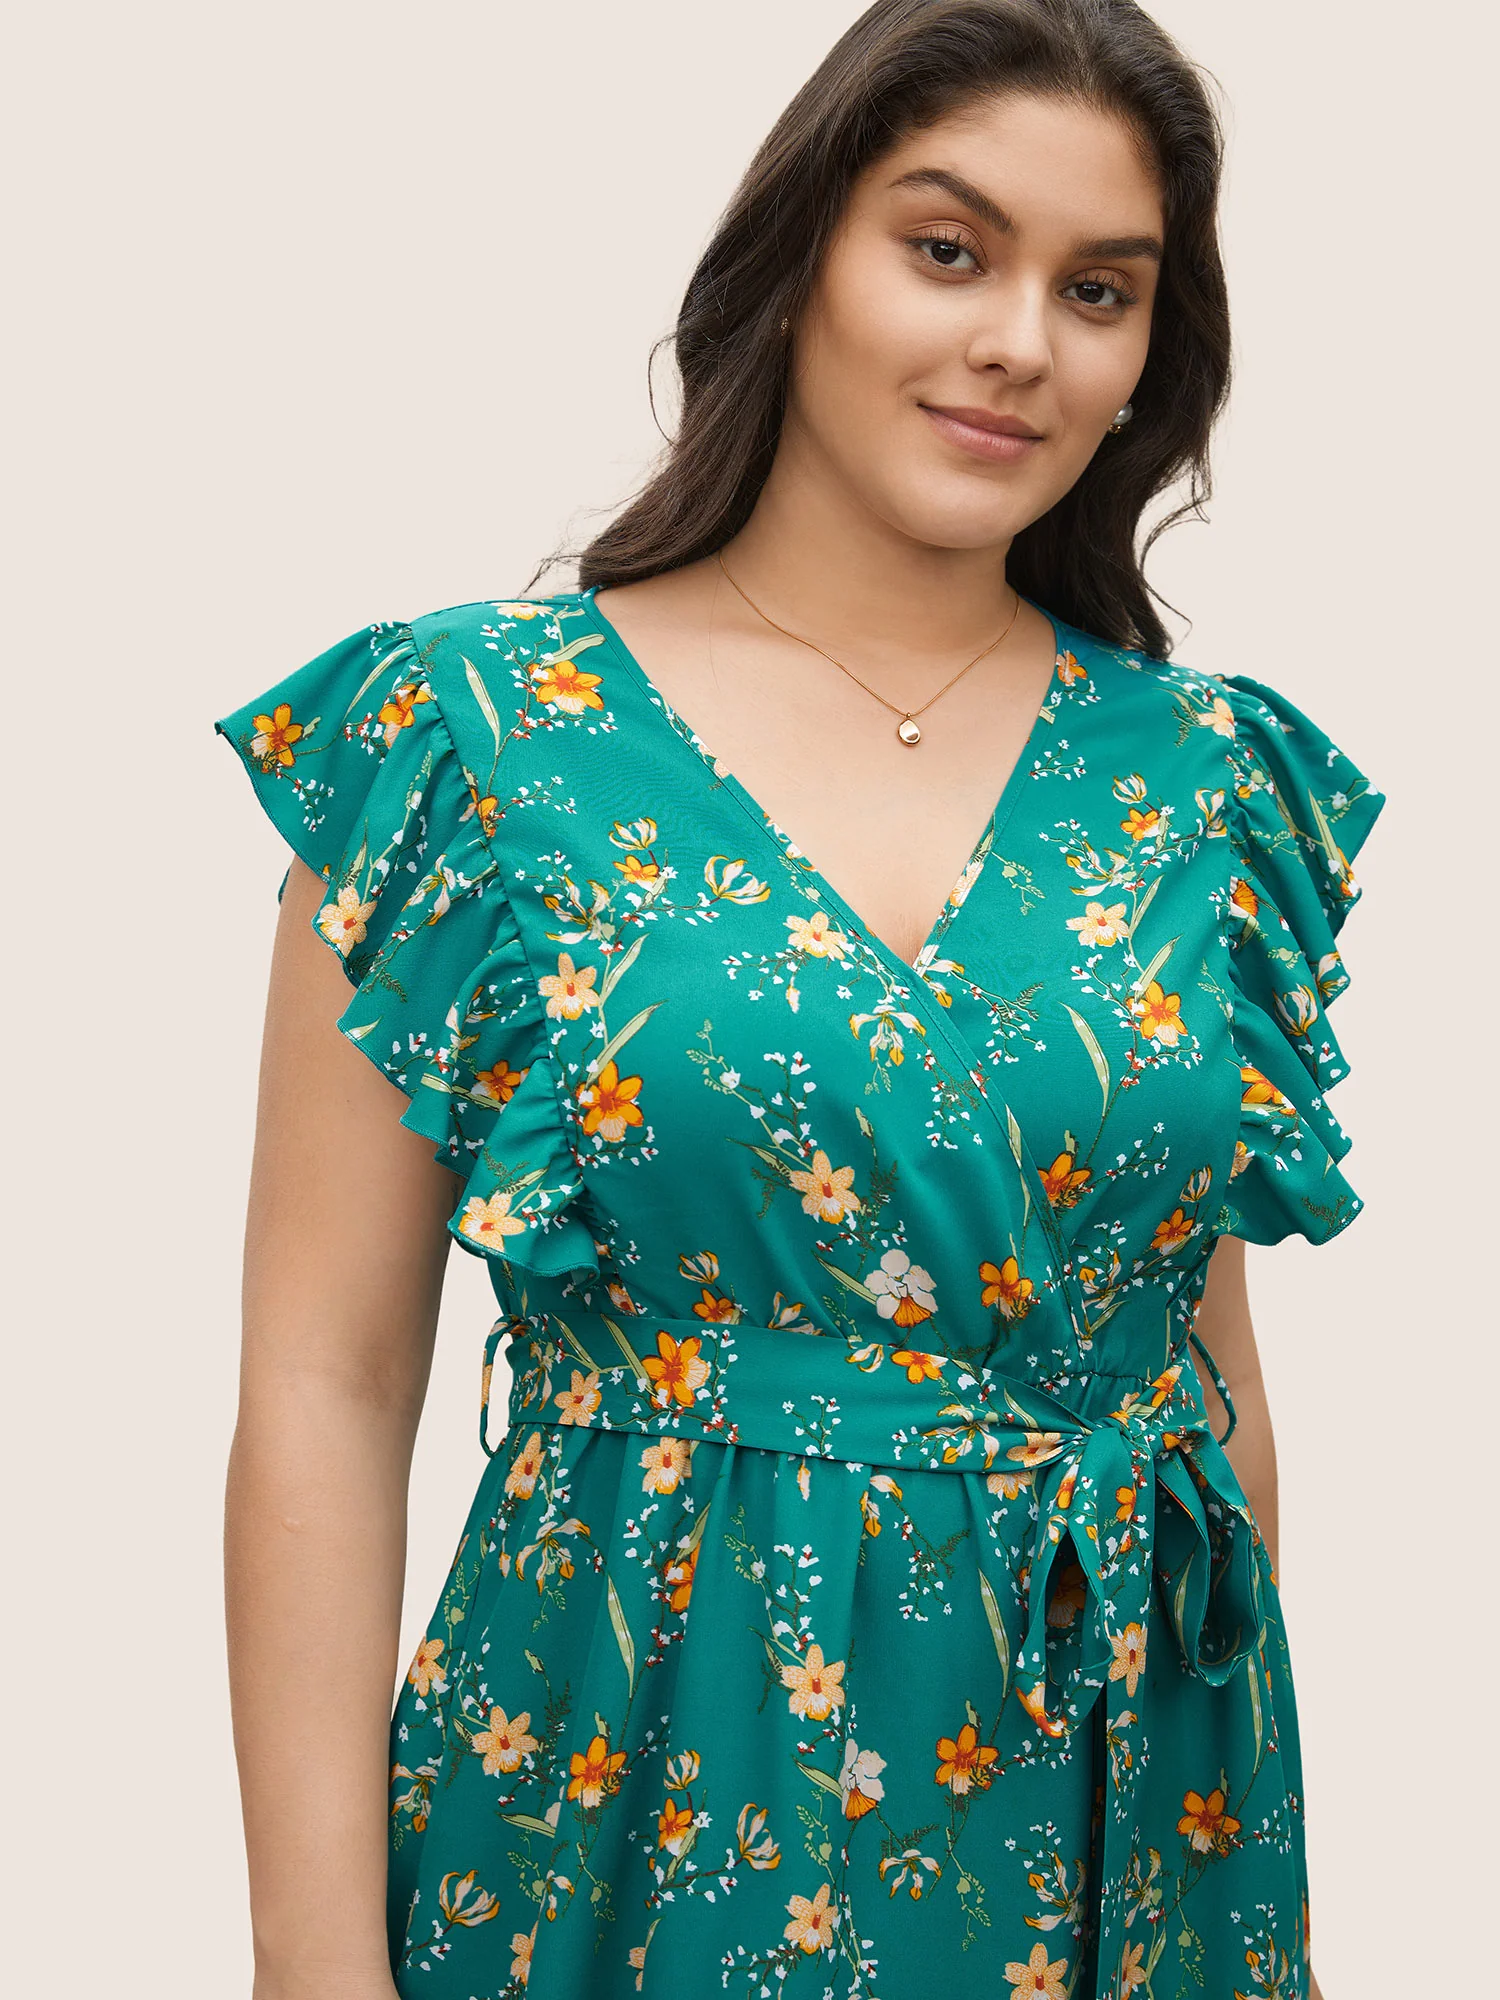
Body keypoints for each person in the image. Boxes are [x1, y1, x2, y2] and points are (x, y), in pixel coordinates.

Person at [213, 4, 1383, 1996]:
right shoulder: (473, 744)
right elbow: (325, 1385)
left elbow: (1205, 1383)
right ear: (800, 259)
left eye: (1099, 291)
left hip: (1114, 1821)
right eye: (949, 248)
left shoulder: (1209, 788)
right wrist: (311, 1962)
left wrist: (1234, 1890)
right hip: (625, 1781)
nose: (1021, 340)